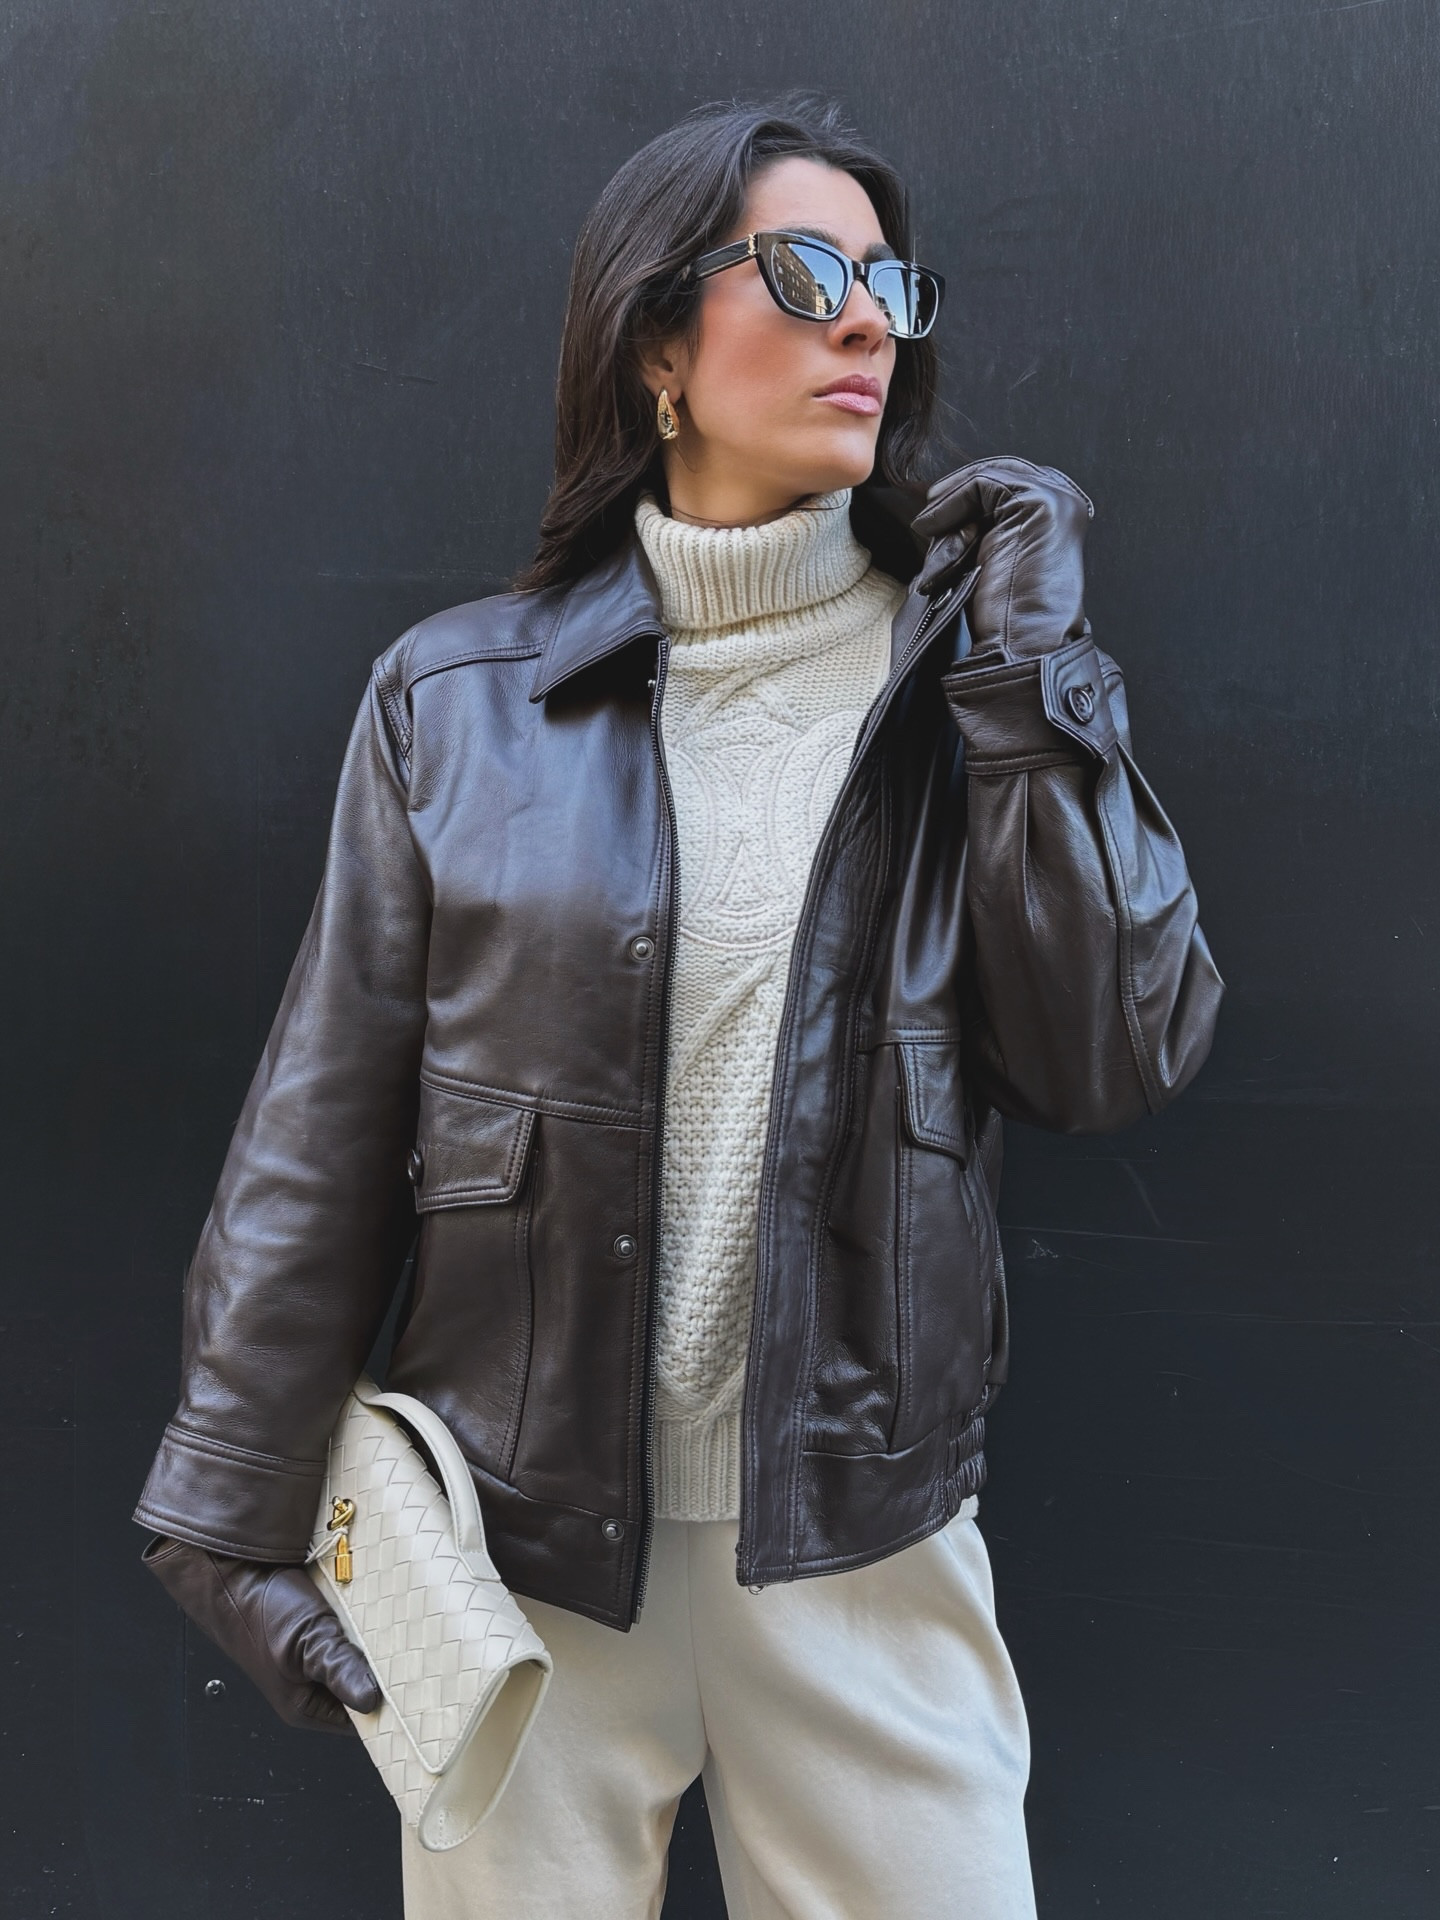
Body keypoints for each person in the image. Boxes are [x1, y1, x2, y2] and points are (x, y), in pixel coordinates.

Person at [133, 91, 1222, 1920]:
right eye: (807, 274)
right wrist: (222, 1504)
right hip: (521, 1559)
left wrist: (1034, 680)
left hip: (858, 1544)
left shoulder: (966, 688)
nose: (869, 320)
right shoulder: (456, 706)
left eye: (891, 284)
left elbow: (1111, 1055)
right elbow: (321, 1128)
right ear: (654, 337)